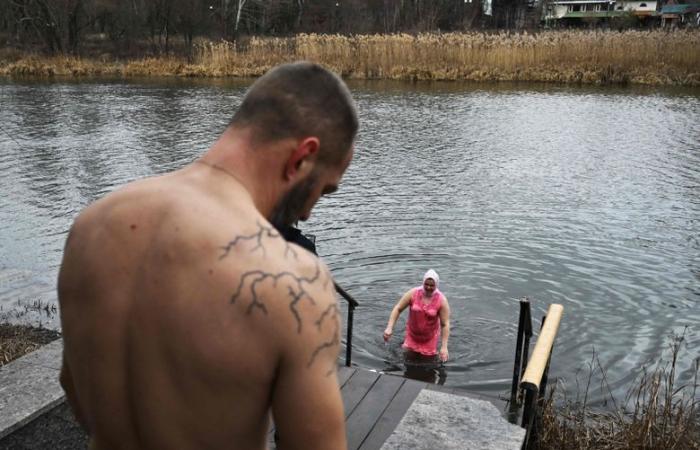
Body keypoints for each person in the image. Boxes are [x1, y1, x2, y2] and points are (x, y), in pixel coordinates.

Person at [57, 62, 358, 450]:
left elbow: (75, 389)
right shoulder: (296, 279)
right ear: (302, 157)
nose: (307, 213)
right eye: (323, 190)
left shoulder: (91, 224)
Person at [383, 270, 451, 363]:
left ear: (436, 285)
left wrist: (444, 347)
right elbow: (398, 308)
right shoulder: (413, 293)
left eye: (432, 285)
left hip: (429, 339)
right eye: (426, 284)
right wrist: (389, 327)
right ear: (423, 282)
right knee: (407, 359)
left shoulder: (441, 300)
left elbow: (445, 324)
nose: (428, 287)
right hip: (412, 336)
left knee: (427, 364)